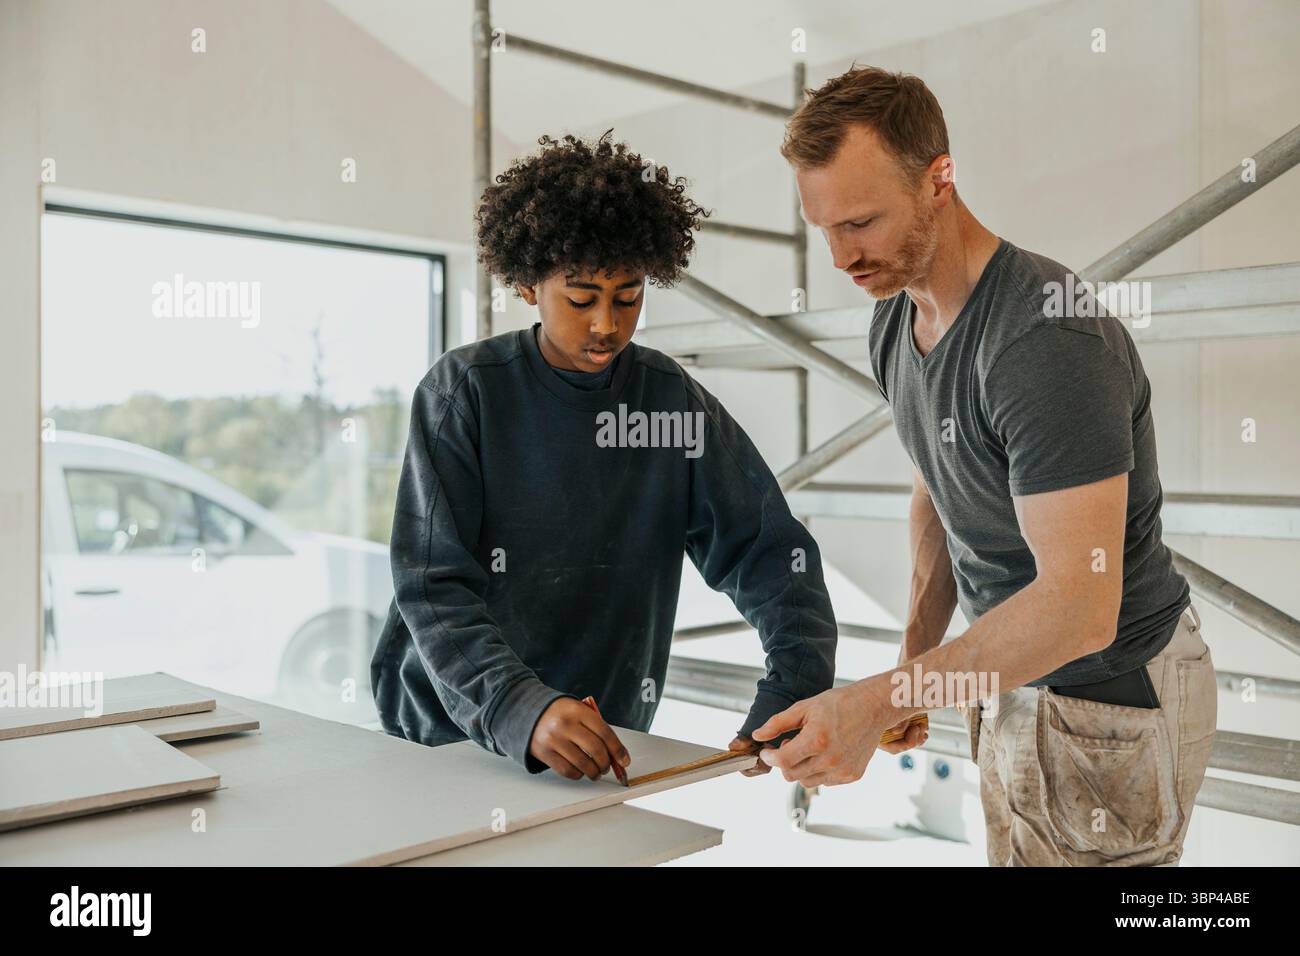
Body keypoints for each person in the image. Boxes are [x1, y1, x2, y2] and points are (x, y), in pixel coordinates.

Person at [755, 67, 1215, 866]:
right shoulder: (898, 320)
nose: (840, 257)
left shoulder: (1041, 341)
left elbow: (1079, 608)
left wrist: (876, 704)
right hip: (1010, 679)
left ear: (940, 179)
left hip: (1111, 696)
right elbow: (940, 488)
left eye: (861, 222)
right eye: (823, 227)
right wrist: (914, 662)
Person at [371, 131, 838, 781]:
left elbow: (769, 551)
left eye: (628, 297)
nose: (606, 325)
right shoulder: (465, 393)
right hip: (447, 734)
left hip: (604, 739)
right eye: (582, 298)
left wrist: (793, 684)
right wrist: (520, 707)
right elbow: (431, 583)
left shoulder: (670, 402)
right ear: (529, 284)